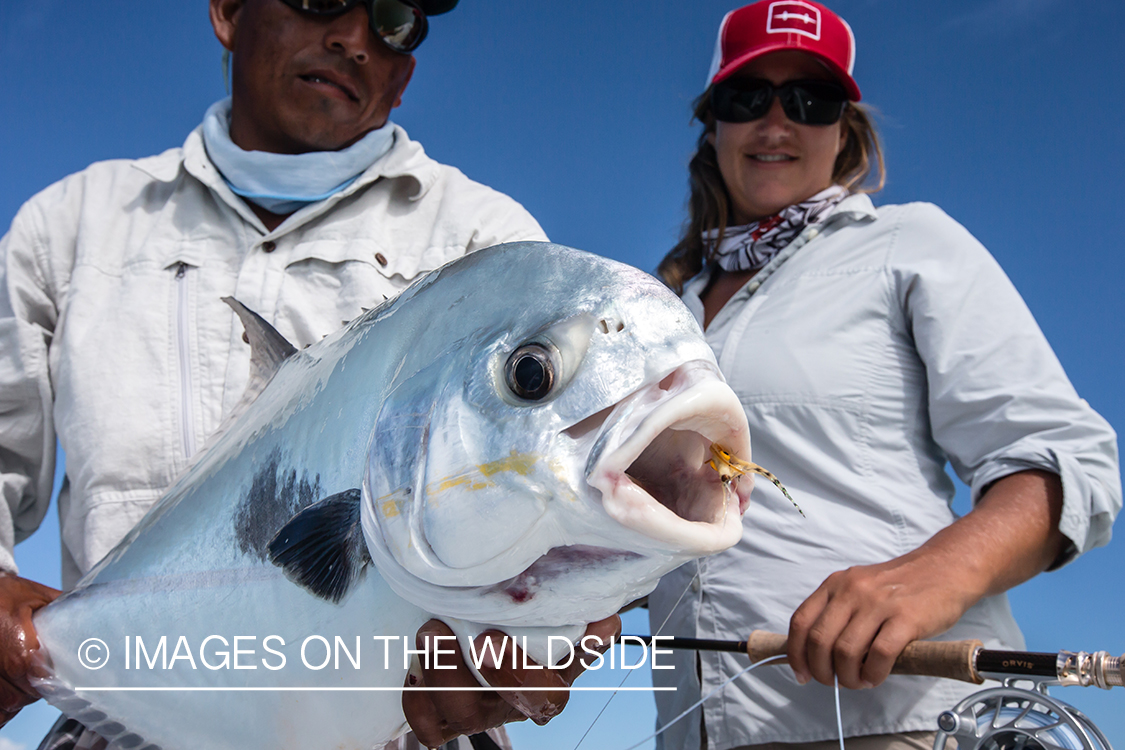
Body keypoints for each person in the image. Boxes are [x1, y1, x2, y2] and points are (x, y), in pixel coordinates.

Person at [0, 1, 618, 747]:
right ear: (228, 13)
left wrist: (563, 615)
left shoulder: (490, 250)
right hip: (125, 717)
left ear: (404, 73)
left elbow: (559, 483)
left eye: (391, 20)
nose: (353, 40)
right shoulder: (69, 225)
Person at [649, 2, 1121, 749]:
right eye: (749, 98)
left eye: (811, 101)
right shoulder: (659, 314)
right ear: (714, 127)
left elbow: (1068, 459)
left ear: (845, 131)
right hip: (693, 732)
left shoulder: (913, 244)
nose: (777, 123)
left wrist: (935, 574)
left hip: (899, 722)